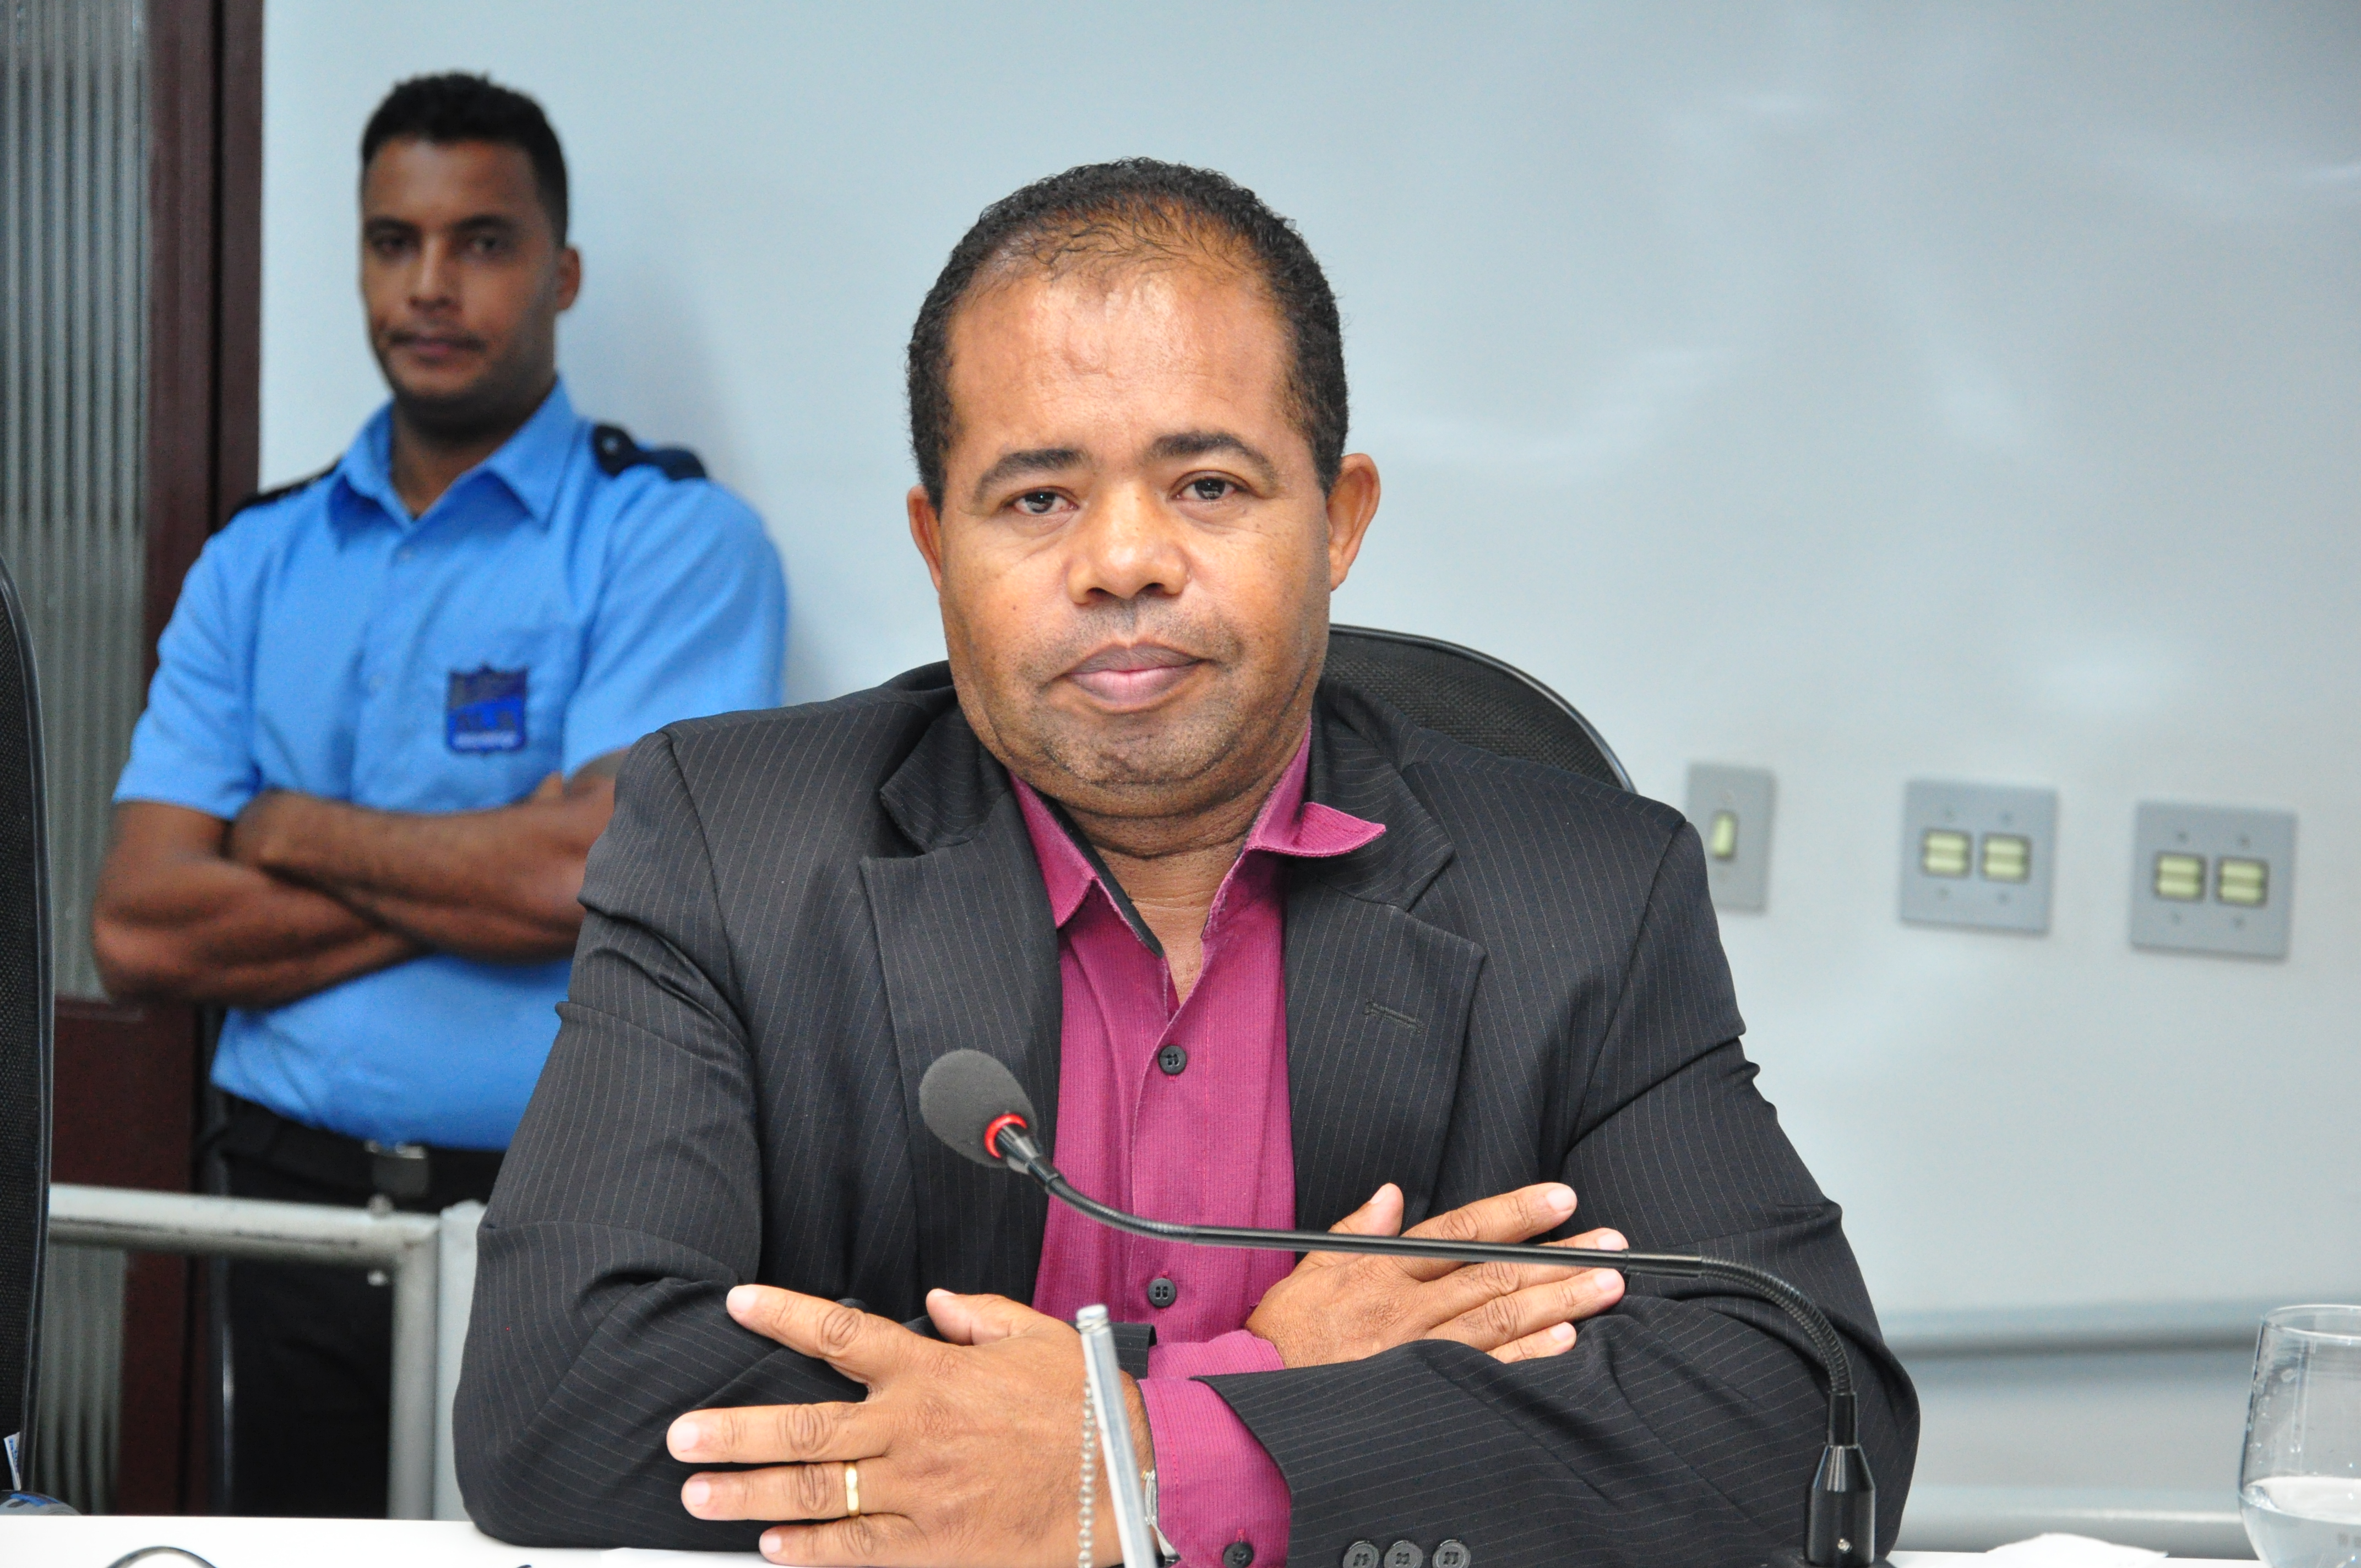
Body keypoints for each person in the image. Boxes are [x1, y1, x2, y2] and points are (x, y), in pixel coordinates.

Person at [454, 160, 1914, 1567]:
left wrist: (1149, 1457)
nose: (1123, 562)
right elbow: (560, 1401)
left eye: (1208, 485)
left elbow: (1804, 1416)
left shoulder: (1583, 894)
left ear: (1339, 521)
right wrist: (1260, 1382)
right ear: (936, 543)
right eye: (1038, 499)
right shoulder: (736, 842)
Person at [91, 73, 785, 1517]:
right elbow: (142, 930)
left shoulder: (673, 539)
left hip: (558, 1212)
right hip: (279, 1208)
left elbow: (584, 879)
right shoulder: (255, 559)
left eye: (482, 241)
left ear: (560, 273)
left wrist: (284, 831)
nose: (430, 284)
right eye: (393, 241)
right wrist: (498, 874)